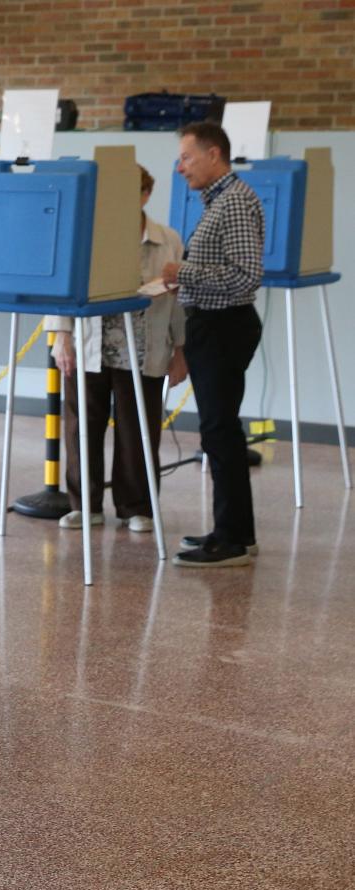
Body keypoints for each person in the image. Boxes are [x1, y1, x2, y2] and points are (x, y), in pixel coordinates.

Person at [45, 164, 187, 534]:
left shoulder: (167, 239)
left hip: (143, 347)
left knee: (138, 429)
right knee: (80, 427)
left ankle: (135, 506)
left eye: (130, 194)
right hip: (89, 345)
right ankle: (85, 505)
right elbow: (60, 285)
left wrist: (180, 351)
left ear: (145, 195)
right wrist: (61, 335)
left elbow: (180, 302)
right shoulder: (88, 234)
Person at [162, 121, 264, 568]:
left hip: (224, 328)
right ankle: (233, 530)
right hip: (212, 323)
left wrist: (181, 274)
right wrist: (181, 284)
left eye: (186, 156)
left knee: (220, 433)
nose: (179, 166)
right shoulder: (218, 202)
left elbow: (245, 278)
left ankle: (233, 540)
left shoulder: (236, 203)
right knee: (217, 432)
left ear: (214, 155)